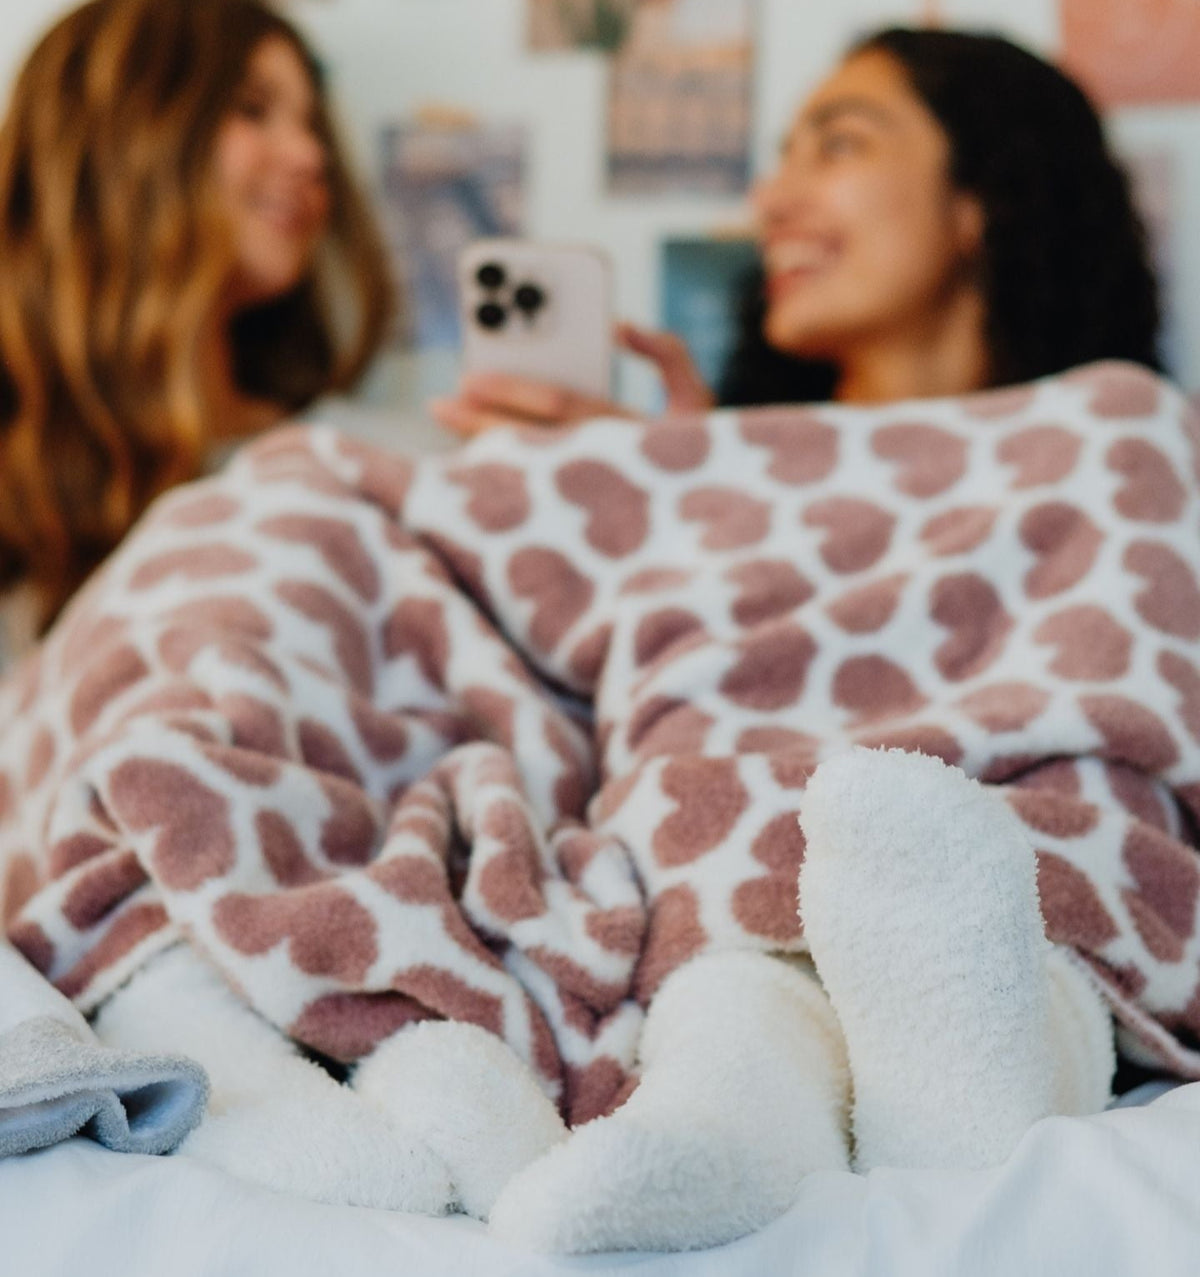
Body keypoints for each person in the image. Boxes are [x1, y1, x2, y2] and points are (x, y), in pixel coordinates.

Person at [430, 25, 1160, 433]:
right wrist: (672, 492)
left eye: (839, 144)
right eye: (783, 158)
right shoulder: (713, 465)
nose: (771, 201)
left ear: (988, 197)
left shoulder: (1132, 449)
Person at [0, 0, 393, 653]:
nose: (310, 156)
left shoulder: (347, 462)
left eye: (311, 125)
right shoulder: (20, 484)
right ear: (122, 135)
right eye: (251, 109)